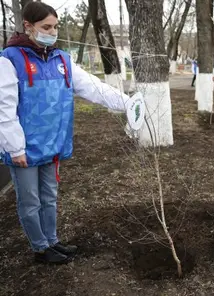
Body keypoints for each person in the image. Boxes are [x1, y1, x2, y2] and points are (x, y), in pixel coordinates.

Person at [0, 2, 132, 264]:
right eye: (46, 27)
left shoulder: (62, 59)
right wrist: (15, 147)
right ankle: (40, 248)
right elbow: (4, 108)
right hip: (24, 149)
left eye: (55, 26)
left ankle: (52, 240)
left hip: (52, 144)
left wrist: (128, 103)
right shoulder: (9, 60)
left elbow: (94, 88)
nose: (52, 31)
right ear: (28, 26)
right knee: (30, 201)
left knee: (49, 197)